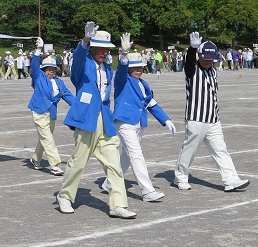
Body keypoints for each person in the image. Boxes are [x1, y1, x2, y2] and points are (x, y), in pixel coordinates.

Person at [56, 22, 137, 219]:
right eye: (100, 48)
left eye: (106, 49)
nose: (103, 52)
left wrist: (124, 57)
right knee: (78, 161)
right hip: (86, 118)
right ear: (92, 47)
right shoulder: (83, 67)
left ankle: (118, 205)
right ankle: (65, 196)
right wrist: (84, 40)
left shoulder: (108, 69)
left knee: (114, 165)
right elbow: (77, 60)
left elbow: (120, 82)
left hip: (105, 120)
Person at [100, 37, 177, 202]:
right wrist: (124, 54)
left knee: (127, 157)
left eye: (140, 67)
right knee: (136, 155)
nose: (138, 70)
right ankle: (147, 191)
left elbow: (151, 103)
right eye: (134, 67)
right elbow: (121, 70)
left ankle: (108, 183)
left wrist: (166, 120)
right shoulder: (122, 80)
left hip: (139, 123)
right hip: (124, 122)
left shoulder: (144, 84)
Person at [173, 32, 250, 192]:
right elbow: (188, 64)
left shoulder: (213, 70)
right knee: (189, 149)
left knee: (220, 149)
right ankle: (180, 176)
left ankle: (231, 180)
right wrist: (192, 49)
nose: (208, 61)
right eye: (205, 58)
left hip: (213, 118)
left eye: (211, 59)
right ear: (199, 55)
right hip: (196, 118)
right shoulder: (192, 70)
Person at [27, 37, 75, 176]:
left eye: (54, 69)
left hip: (51, 113)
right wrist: (39, 49)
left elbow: (69, 97)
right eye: (49, 69)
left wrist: (81, 107)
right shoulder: (39, 77)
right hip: (39, 111)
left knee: (44, 138)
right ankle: (55, 164)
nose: (52, 72)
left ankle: (35, 159)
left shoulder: (59, 83)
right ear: (43, 69)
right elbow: (34, 65)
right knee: (48, 138)